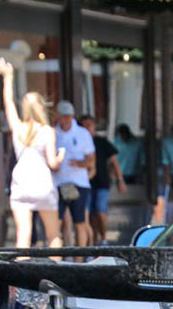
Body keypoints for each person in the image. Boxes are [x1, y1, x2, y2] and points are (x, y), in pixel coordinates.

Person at [0, 57, 65, 249]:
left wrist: (7, 77)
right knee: (53, 235)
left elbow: (8, 103)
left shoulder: (18, 128)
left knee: (23, 235)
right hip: (42, 182)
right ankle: (55, 274)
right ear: (42, 107)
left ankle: (21, 277)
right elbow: (52, 163)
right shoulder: (47, 131)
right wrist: (60, 157)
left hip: (21, 181)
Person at [53, 100, 95, 247]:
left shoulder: (82, 133)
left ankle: (80, 258)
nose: (66, 120)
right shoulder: (52, 132)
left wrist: (78, 163)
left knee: (80, 222)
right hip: (58, 182)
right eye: (63, 116)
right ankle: (56, 257)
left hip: (79, 182)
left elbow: (90, 160)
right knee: (56, 222)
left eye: (68, 116)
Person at [80, 114, 126, 245]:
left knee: (101, 211)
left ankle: (104, 237)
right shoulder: (78, 142)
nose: (87, 129)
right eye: (84, 126)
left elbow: (114, 162)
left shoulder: (101, 142)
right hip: (85, 183)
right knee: (90, 215)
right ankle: (93, 239)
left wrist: (120, 180)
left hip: (102, 182)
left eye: (90, 126)